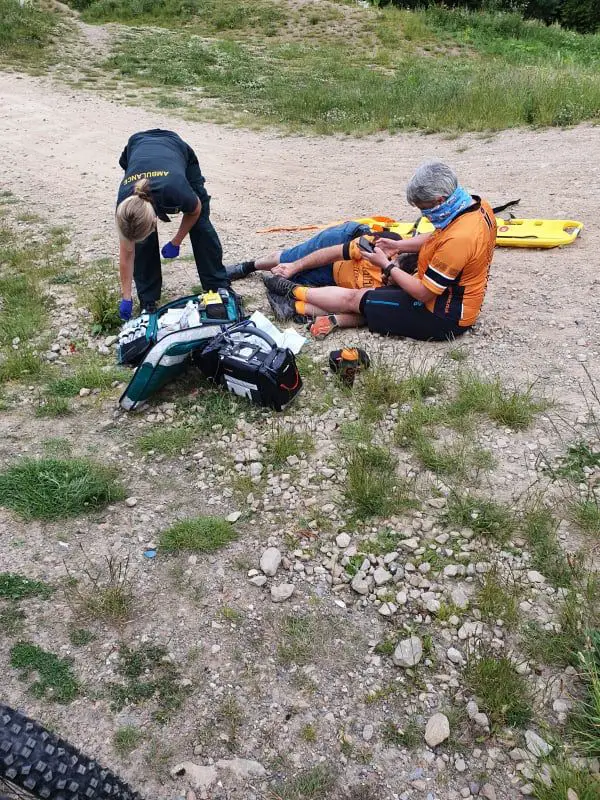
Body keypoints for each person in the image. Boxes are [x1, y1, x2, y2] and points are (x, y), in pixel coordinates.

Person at [262, 161, 496, 341]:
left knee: (357, 300)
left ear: (440, 200)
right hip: (450, 296)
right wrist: (398, 245)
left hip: (441, 316)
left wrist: (387, 264)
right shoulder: (476, 207)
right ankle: (296, 303)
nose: (424, 216)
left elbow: (424, 294)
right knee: (367, 302)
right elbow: (437, 238)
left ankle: (292, 293)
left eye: (424, 209)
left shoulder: (460, 239)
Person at [115, 129, 230, 321]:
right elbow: (127, 254)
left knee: (200, 225)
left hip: (175, 147)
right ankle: (148, 300)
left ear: (155, 220)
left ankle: (217, 285)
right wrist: (126, 297)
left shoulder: (176, 190)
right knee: (141, 238)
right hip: (135, 147)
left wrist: (177, 241)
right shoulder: (125, 208)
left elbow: (195, 210)